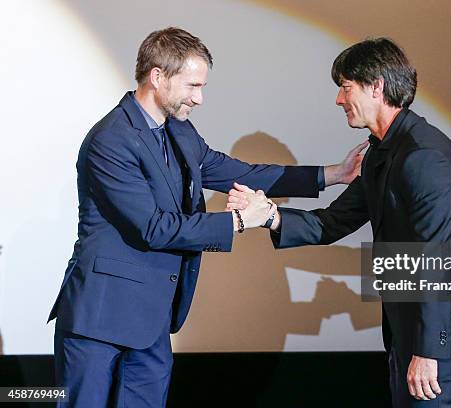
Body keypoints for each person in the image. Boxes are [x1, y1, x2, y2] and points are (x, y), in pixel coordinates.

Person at [47, 27, 364, 407]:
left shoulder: (180, 131)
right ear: (157, 76)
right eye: (193, 86)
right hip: (98, 321)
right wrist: (240, 221)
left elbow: (239, 172)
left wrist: (332, 174)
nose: (199, 98)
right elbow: (155, 227)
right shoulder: (110, 140)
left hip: (151, 323)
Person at [228, 38, 451, 407]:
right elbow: (333, 222)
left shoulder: (423, 157)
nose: (339, 100)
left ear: (377, 87)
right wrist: (270, 216)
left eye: (345, 88)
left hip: (445, 337)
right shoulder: (382, 150)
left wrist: (427, 352)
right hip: (413, 329)